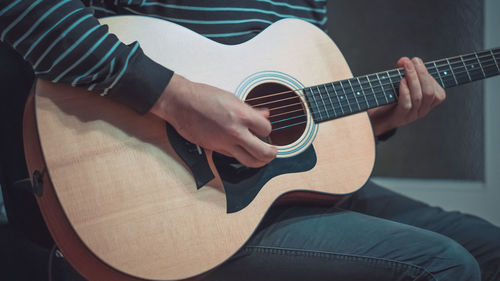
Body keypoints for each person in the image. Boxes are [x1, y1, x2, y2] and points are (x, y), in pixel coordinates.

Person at [0, 1, 499, 280]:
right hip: (172, 190)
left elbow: (289, 99)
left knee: (490, 249)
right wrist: (175, 99)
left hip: (274, 187)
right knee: (443, 268)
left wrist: (378, 120)